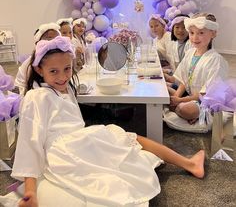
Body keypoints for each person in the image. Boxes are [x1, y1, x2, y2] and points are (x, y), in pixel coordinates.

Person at [12, 36, 205, 207]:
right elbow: (30, 140)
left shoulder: (65, 89)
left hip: (77, 141)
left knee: (122, 136)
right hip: (66, 148)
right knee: (126, 137)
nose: (62, 76)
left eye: (67, 69)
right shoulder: (36, 97)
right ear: (39, 69)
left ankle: (189, 164)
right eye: (53, 71)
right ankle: (189, 163)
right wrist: (30, 189)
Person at [169, 12, 228, 123]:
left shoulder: (216, 60)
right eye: (191, 33)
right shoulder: (190, 53)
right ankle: (180, 107)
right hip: (190, 96)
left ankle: (198, 114)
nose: (195, 38)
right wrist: (176, 98)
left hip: (205, 101)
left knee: (185, 109)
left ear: (213, 34)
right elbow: (183, 80)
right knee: (163, 93)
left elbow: (205, 94)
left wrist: (180, 100)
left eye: (201, 33)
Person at [14, 22, 61, 95]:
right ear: (37, 43)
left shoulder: (61, 59)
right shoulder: (29, 64)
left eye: (57, 39)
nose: (54, 43)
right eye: (49, 39)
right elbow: (19, 85)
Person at [164, 14, 192, 84]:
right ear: (172, 28)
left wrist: (172, 80)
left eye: (184, 27)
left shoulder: (192, 45)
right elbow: (175, 65)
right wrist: (168, 71)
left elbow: (188, 70)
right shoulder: (173, 43)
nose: (180, 30)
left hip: (186, 85)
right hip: (177, 80)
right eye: (177, 27)